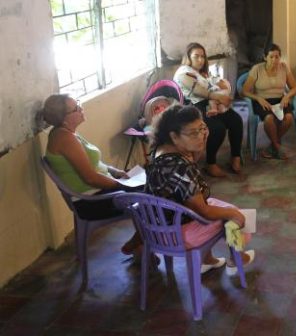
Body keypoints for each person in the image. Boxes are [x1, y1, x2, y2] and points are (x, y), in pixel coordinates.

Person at [146, 104, 254, 274]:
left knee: (224, 208)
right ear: (174, 136)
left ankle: (207, 260)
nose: (201, 136)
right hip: (178, 234)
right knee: (236, 217)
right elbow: (204, 211)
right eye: (193, 132)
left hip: (161, 224)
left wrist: (201, 140)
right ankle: (237, 258)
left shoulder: (160, 151)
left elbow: (190, 168)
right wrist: (234, 215)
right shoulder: (179, 167)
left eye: (202, 128)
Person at [41, 94, 144, 255]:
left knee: (146, 188)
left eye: (78, 104)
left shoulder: (68, 132)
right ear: (64, 118)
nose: (81, 108)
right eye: (76, 108)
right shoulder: (65, 138)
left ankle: (140, 242)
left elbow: (95, 165)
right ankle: (142, 243)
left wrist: (115, 172)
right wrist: (121, 185)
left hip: (98, 191)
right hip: (91, 202)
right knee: (148, 195)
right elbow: (90, 178)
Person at [173, 42, 243, 177]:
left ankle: (236, 156)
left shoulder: (201, 73)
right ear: (188, 57)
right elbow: (199, 91)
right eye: (196, 56)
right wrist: (219, 97)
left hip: (209, 103)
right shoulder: (183, 73)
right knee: (217, 129)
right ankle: (210, 164)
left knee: (236, 120)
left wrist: (220, 92)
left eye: (202, 57)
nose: (200, 60)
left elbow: (213, 84)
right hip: (193, 108)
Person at [242, 43, 296, 160]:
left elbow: (295, 87)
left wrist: (287, 97)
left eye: (277, 57)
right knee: (269, 119)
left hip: (280, 100)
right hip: (262, 100)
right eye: (271, 57)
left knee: (288, 118)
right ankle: (277, 146)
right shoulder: (257, 69)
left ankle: (272, 146)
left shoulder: (284, 67)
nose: (274, 60)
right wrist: (258, 98)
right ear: (265, 57)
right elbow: (244, 91)